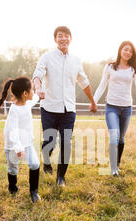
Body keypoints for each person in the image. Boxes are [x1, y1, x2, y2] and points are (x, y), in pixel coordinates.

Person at [32, 26, 97, 187]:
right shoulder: (46, 57)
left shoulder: (76, 60)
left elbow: (84, 82)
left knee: (66, 143)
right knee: (50, 142)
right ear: (55, 39)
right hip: (49, 108)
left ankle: (61, 177)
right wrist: (38, 88)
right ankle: (46, 161)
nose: (63, 39)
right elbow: (37, 75)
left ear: (70, 39)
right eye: (60, 36)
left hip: (69, 110)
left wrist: (93, 101)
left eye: (66, 36)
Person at [93, 41, 136, 176]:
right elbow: (102, 85)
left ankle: (117, 163)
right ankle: (113, 168)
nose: (128, 52)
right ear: (120, 50)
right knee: (114, 136)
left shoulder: (134, 69)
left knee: (121, 138)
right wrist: (94, 101)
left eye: (130, 51)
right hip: (112, 107)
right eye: (125, 49)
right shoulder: (110, 66)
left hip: (126, 107)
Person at [0, 77, 41, 203]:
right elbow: (13, 131)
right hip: (13, 146)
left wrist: (40, 94)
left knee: (35, 164)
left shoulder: (27, 103)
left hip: (27, 143)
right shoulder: (14, 111)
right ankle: (13, 187)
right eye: (32, 90)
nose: (33, 92)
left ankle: (34, 191)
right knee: (13, 168)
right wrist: (18, 148)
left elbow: (35, 98)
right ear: (25, 94)